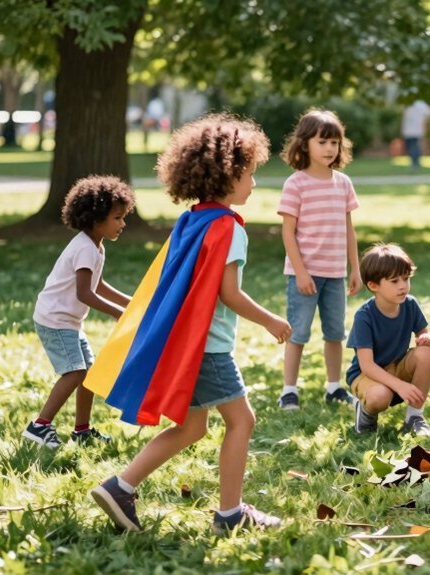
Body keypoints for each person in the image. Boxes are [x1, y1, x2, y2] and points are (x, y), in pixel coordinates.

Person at [88, 114, 292, 534]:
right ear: (227, 175)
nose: (253, 183)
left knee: (193, 426)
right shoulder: (229, 228)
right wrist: (271, 320)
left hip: (186, 345)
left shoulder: (193, 219)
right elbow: (228, 293)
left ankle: (121, 487)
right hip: (209, 348)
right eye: (250, 174)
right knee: (243, 421)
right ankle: (230, 514)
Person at [22, 176, 135, 449]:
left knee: (89, 373)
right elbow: (84, 294)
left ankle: (82, 431)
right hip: (55, 320)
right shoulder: (85, 248)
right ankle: (39, 427)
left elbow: (99, 285)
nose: (123, 224)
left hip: (68, 321)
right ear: (95, 218)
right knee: (74, 373)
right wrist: (119, 314)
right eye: (117, 218)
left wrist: (132, 304)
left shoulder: (95, 245)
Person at [277, 109, 362, 411]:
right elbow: (288, 233)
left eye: (335, 142)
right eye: (323, 141)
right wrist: (300, 273)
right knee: (298, 333)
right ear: (305, 144)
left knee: (335, 333)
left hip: (335, 274)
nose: (329, 149)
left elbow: (348, 228)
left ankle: (334, 387)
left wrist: (355, 267)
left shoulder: (343, 183)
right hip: (305, 275)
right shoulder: (295, 184)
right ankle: (289, 390)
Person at [347, 243, 430, 436]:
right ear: (373, 285)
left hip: (396, 367)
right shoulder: (364, 316)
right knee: (380, 396)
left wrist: (426, 338)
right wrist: (399, 385)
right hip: (367, 375)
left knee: (426, 354)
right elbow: (367, 365)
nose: (403, 285)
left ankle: (414, 417)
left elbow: (423, 334)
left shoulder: (410, 304)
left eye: (406, 278)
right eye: (395, 281)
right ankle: (366, 415)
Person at [401, 100, 430, 170]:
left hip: (410, 133)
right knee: (414, 148)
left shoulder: (410, 110)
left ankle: (415, 164)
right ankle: (415, 163)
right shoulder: (419, 111)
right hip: (414, 133)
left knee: (413, 148)